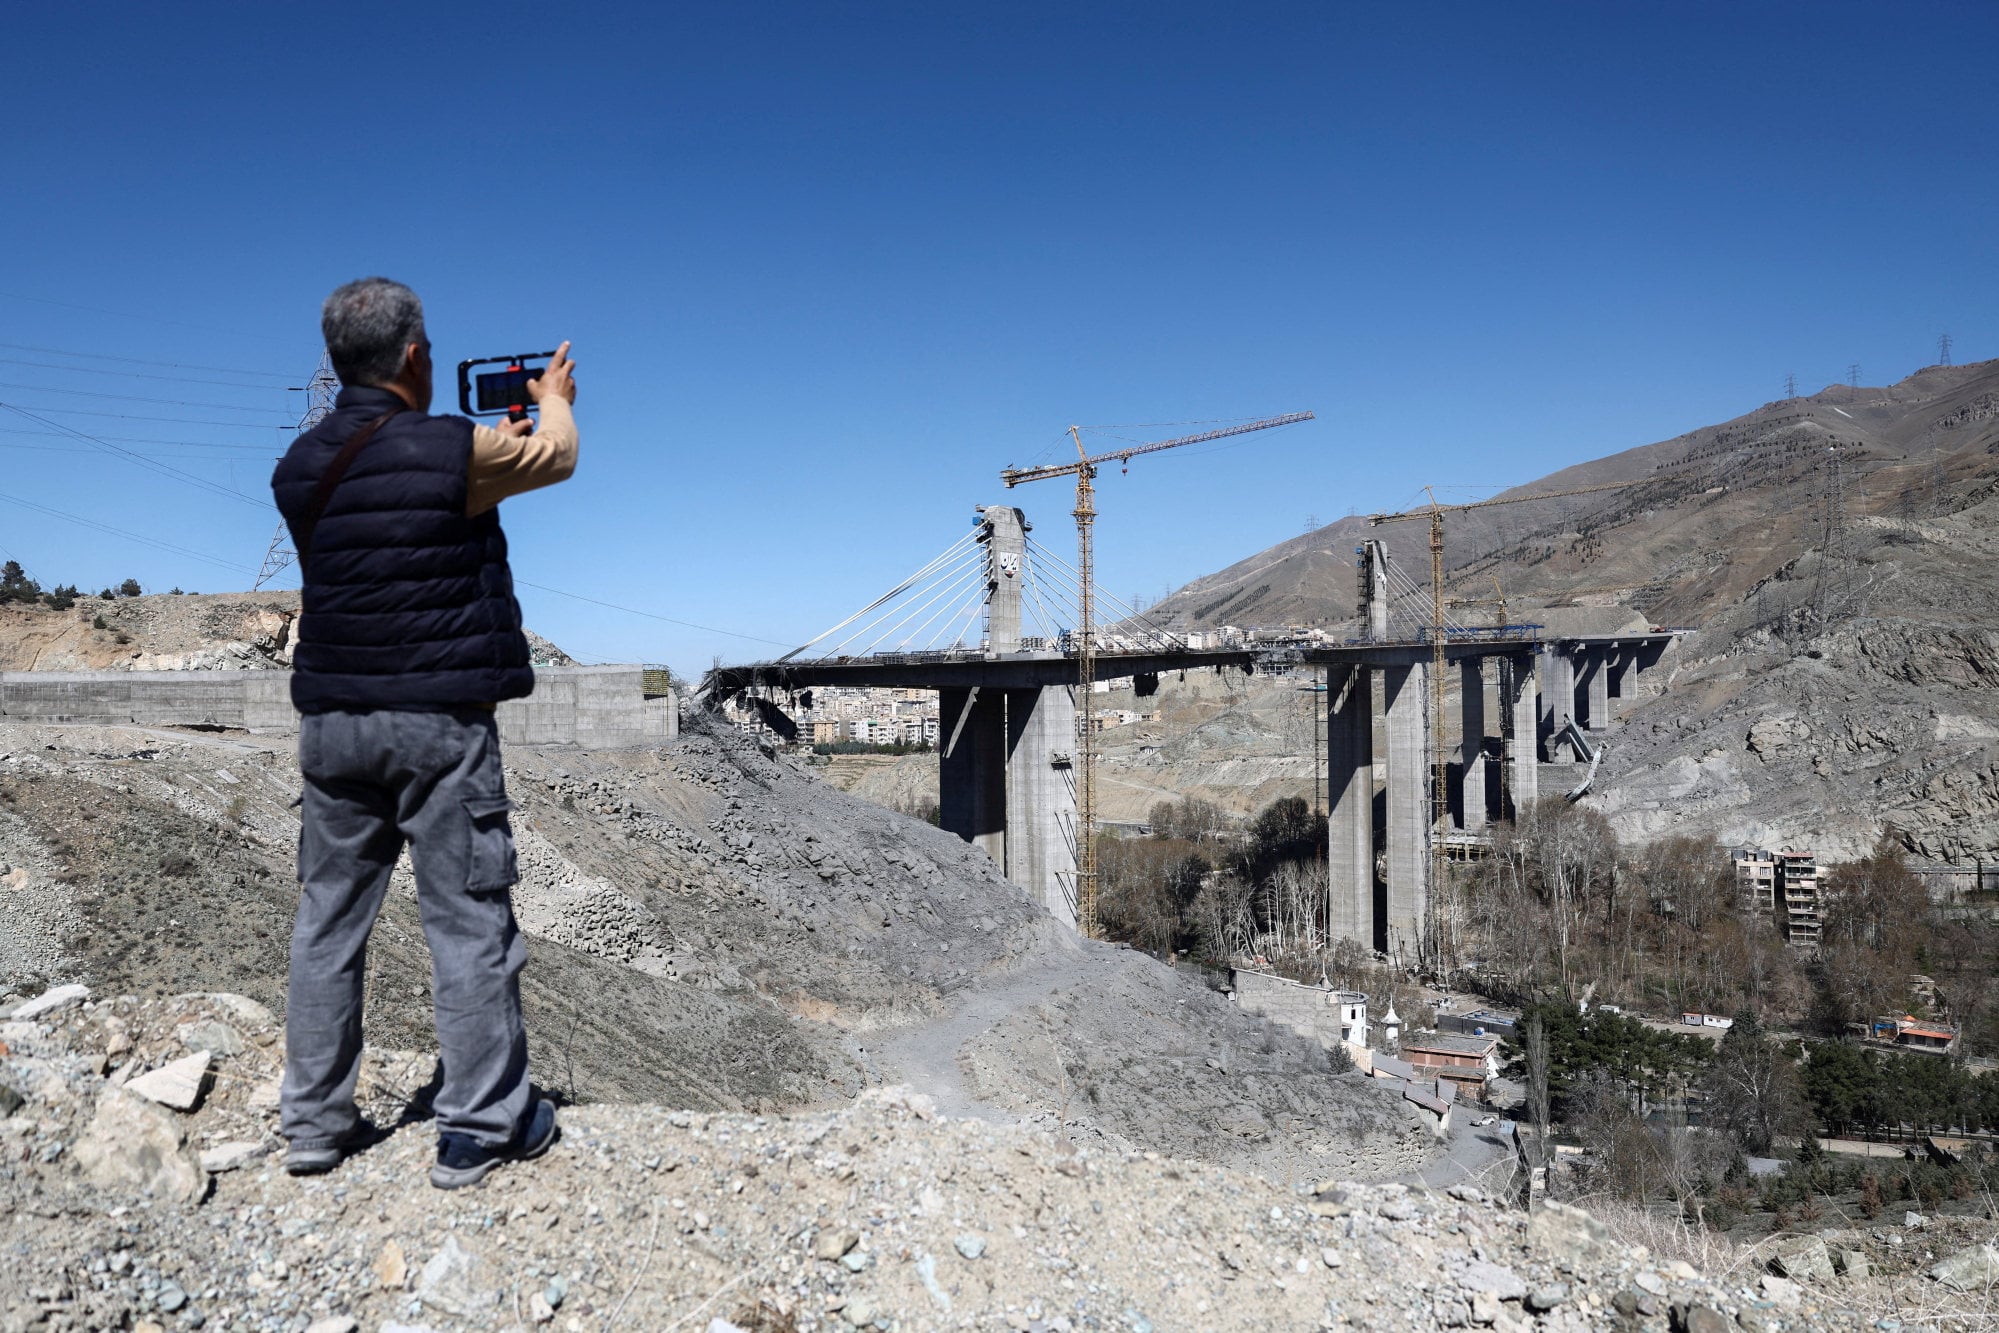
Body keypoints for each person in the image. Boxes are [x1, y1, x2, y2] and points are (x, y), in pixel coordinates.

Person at [270, 277, 578, 1188]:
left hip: (331, 724)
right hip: (436, 722)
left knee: (326, 922)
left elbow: (395, 495)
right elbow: (551, 456)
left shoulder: (297, 466)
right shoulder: (453, 447)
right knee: (467, 922)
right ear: (414, 357)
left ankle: (315, 1126)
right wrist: (550, 401)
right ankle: (481, 1126)